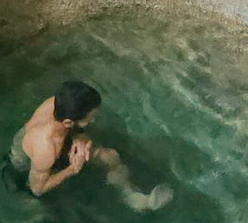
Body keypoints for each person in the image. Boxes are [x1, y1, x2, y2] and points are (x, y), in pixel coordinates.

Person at [11, 80, 171, 211]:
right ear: (69, 122)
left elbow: (72, 127)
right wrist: (72, 169)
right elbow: (37, 188)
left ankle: (133, 198)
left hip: (59, 137)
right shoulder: (46, 148)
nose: (93, 120)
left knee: (110, 156)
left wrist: (80, 137)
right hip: (25, 167)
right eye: (90, 118)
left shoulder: (57, 103)